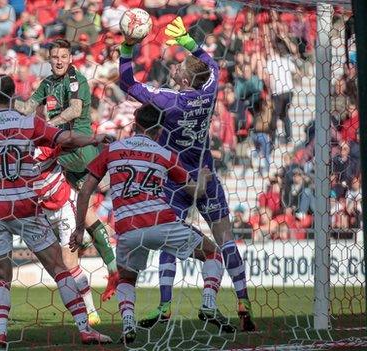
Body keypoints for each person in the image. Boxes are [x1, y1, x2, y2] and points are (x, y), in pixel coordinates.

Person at [0, 75, 113, 347]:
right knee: (59, 267)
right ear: (13, 97)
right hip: (25, 207)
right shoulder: (27, 122)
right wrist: (93, 139)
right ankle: (85, 329)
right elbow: (65, 137)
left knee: (1, 276)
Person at [118, 17, 256, 332]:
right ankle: (243, 302)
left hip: (177, 180)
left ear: (186, 77)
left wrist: (128, 46)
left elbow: (128, 84)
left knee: (170, 243)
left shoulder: (168, 102)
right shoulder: (208, 94)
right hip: (206, 176)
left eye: (182, 65)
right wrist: (188, 42)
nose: (177, 67)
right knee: (225, 240)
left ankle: (165, 307)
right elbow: (214, 67)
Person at [70, 104, 235, 343]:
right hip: (163, 224)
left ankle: (127, 323)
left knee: (126, 278)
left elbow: (84, 192)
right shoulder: (164, 154)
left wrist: (78, 229)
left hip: (127, 230)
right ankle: (208, 302)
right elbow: (195, 192)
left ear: (135, 124)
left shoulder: (112, 150)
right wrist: (204, 178)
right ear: (159, 132)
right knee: (212, 254)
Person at [15, 38, 120, 301]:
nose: (59, 61)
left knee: (87, 213)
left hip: (80, 150)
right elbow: (28, 107)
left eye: (63, 56)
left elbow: (75, 110)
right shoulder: (47, 84)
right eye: (55, 57)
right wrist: (7, 105)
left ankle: (114, 267)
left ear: (70, 57)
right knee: (86, 215)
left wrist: (50, 124)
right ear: (49, 60)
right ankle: (112, 269)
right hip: (62, 158)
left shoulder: (77, 79)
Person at [32, 145, 101, 326]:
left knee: (70, 264)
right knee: (58, 265)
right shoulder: (18, 154)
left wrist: (90, 142)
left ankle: (91, 312)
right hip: (41, 211)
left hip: (64, 208)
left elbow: (67, 144)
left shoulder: (45, 148)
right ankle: (81, 311)